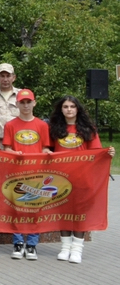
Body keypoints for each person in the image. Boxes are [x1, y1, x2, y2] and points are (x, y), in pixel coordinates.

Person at [48, 95, 115, 264]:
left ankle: (77, 249)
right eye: (65, 107)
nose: (69, 109)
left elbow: (97, 153)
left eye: (72, 106)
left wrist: (108, 154)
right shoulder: (54, 128)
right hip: (60, 178)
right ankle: (65, 247)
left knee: (79, 213)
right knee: (62, 211)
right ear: (61, 109)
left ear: (78, 109)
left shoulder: (88, 129)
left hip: (82, 178)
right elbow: (47, 149)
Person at [2, 88, 52, 261]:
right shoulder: (10, 125)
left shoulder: (42, 125)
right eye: (22, 102)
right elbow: (6, 148)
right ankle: (17, 242)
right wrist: (12, 153)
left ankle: (31, 244)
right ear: (17, 104)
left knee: (35, 209)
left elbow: (46, 147)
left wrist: (46, 152)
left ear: (34, 103)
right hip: (17, 173)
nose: (25, 105)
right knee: (17, 208)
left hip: (37, 173)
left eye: (28, 102)